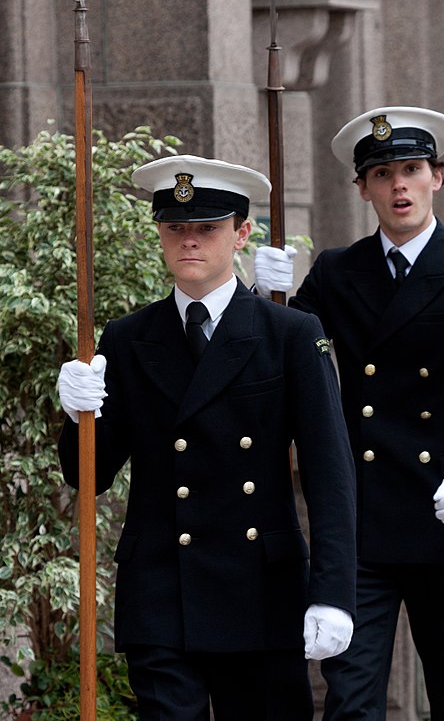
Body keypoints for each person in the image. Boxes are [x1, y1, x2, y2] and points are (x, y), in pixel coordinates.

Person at [56, 154, 357, 721]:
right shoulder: (127, 338)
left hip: (260, 592)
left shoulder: (290, 334)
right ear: (161, 235)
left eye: (207, 229)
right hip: (163, 591)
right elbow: (86, 475)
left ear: (241, 234)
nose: (189, 242)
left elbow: (330, 473)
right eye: (176, 229)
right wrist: (76, 415)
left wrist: (334, 593)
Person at [253, 106, 444, 721]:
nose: (399, 186)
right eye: (383, 173)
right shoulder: (339, 271)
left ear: (437, 177)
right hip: (361, 523)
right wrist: (260, 298)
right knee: (351, 702)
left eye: (412, 169)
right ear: (361, 187)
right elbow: (280, 363)